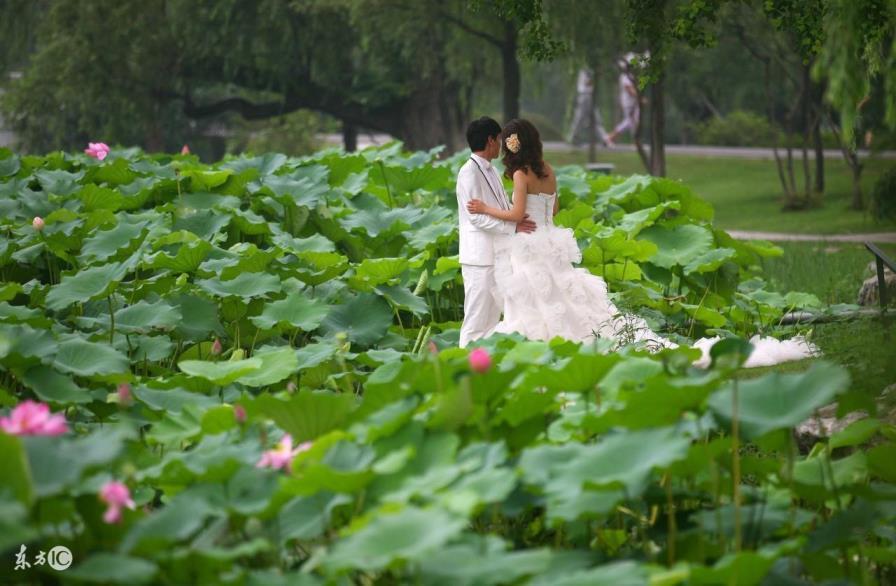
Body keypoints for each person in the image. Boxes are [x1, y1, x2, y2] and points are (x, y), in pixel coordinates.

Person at [466, 118, 818, 367]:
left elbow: (515, 216)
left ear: (512, 145)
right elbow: (554, 207)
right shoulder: (547, 170)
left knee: (535, 299)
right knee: (560, 293)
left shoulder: (519, 175)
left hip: (529, 246)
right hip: (552, 241)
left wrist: (484, 208)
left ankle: (534, 350)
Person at [456, 117, 536, 348]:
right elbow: (476, 217)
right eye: (499, 139)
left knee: (493, 319)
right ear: (490, 140)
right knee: (475, 318)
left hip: (498, 254)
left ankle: (483, 369)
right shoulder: (468, 172)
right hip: (479, 258)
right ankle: (463, 368)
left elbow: (501, 208)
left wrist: (518, 216)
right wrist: (513, 226)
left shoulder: (492, 171)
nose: (501, 144)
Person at [566, 67, 611, 146]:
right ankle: (573, 138)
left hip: (589, 96)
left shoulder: (590, 68)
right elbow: (588, 82)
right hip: (585, 96)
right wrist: (596, 76)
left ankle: (604, 139)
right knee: (580, 118)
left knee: (595, 120)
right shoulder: (586, 70)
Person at [607, 53, 642, 145]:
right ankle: (610, 137)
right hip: (629, 103)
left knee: (634, 122)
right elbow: (631, 90)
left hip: (632, 103)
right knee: (630, 122)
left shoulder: (630, 76)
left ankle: (636, 142)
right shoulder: (625, 77)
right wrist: (640, 98)